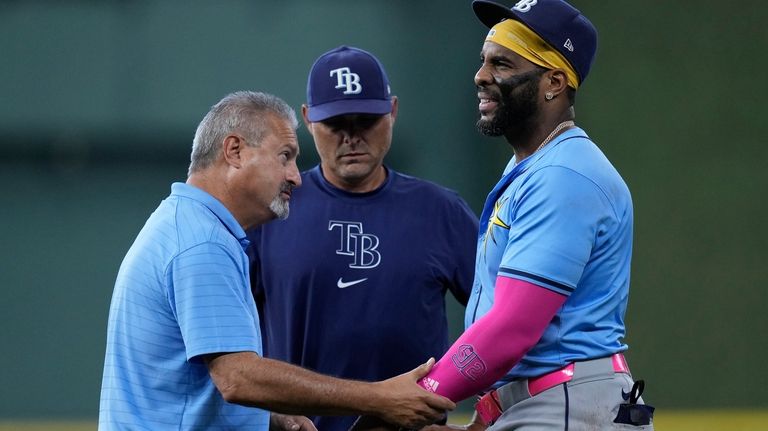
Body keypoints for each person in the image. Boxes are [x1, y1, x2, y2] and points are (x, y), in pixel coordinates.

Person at [97, 90, 455, 430]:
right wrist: (379, 397)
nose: (296, 177)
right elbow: (237, 377)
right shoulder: (202, 243)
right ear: (234, 151)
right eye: (285, 156)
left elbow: (187, 383)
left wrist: (266, 419)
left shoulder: (189, 225)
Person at [413, 1, 656, 430]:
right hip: (552, 400)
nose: (481, 76)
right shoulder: (538, 166)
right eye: (483, 61)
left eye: (502, 64)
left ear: (554, 83)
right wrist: (489, 411)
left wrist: (422, 398)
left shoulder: (564, 175)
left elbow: (511, 329)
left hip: (568, 403)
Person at [246, 46, 479, 431]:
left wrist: (487, 410)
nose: (351, 137)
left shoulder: (441, 211)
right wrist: (268, 415)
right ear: (307, 119)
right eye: (337, 124)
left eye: (366, 120)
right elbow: (227, 354)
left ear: (393, 111)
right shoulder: (270, 211)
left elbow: (502, 323)